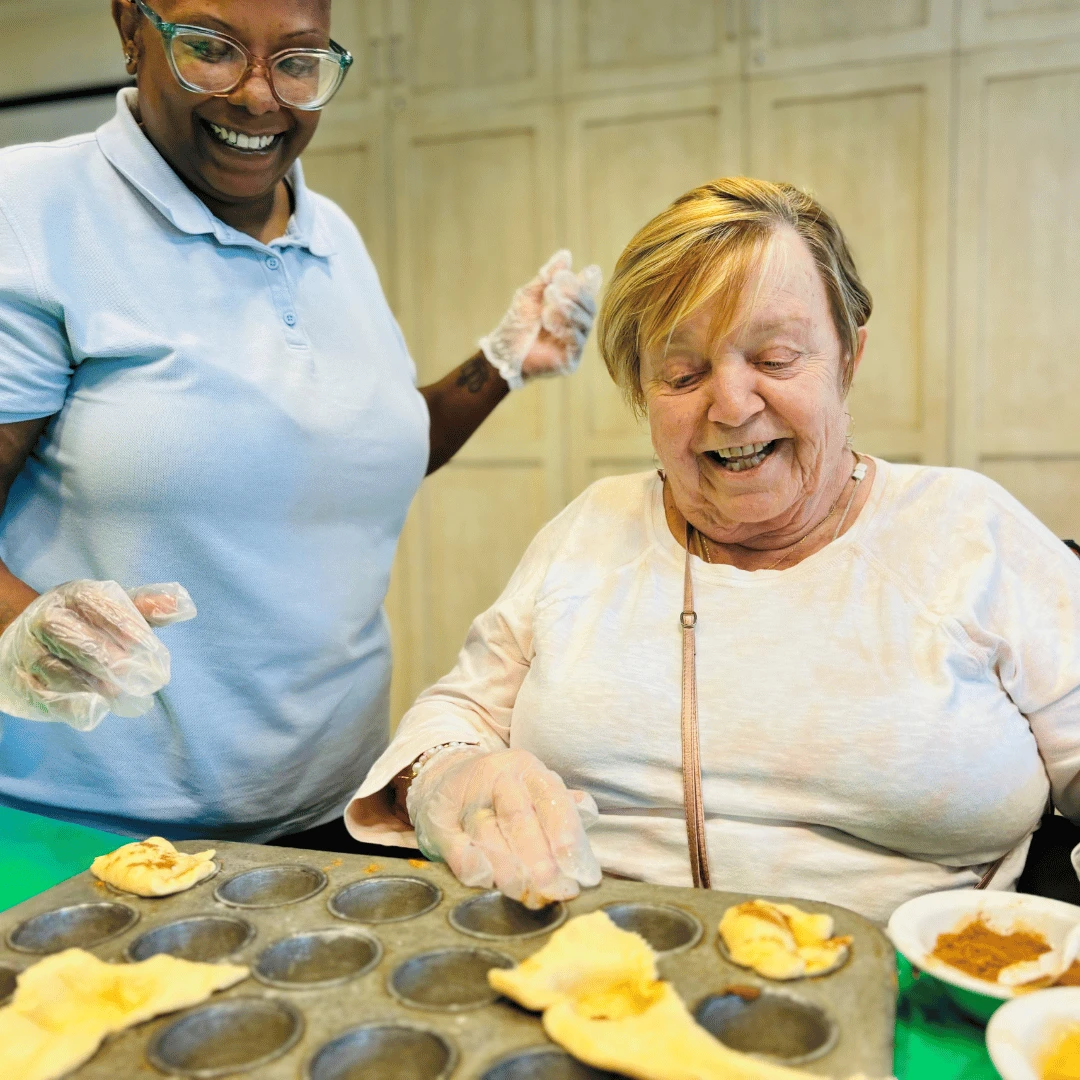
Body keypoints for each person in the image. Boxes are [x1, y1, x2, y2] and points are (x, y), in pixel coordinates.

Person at [347, 177, 1080, 922]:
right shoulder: (594, 528)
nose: (731, 406)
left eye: (776, 357)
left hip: (916, 986)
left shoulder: (968, 530)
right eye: (683, 373)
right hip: (596, 970)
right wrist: (449, 773)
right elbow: (458, 710)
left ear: (849, 357)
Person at [0, 0, 600, 848]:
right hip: (89, 830)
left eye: (298, 60)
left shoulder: (334, 235)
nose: (258, 97)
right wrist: (22, 628)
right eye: (210, 49)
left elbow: (352, 453)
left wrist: (499, 366)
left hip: (335, 810)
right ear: (131, 30)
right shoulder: (28, 212)